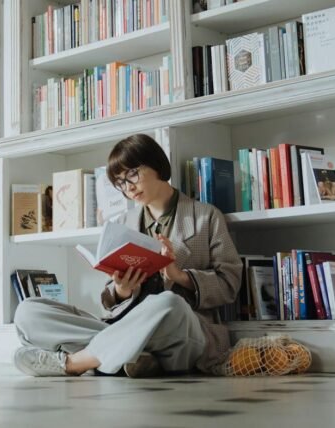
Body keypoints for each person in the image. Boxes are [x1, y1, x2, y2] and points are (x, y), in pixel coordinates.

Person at [13, 134, 243, 377]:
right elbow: (112, 296)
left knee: (168, 303)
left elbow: (230, 284)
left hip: (184, 330)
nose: (128, 187)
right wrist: (121, 290)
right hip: (125, 323)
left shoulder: (206, 217)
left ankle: (74, 362)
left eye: (132, 174)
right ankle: (136, 355)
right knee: (28, 311)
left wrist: (180, 275)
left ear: (156, 165)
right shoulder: (122, 224)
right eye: (120, 183)